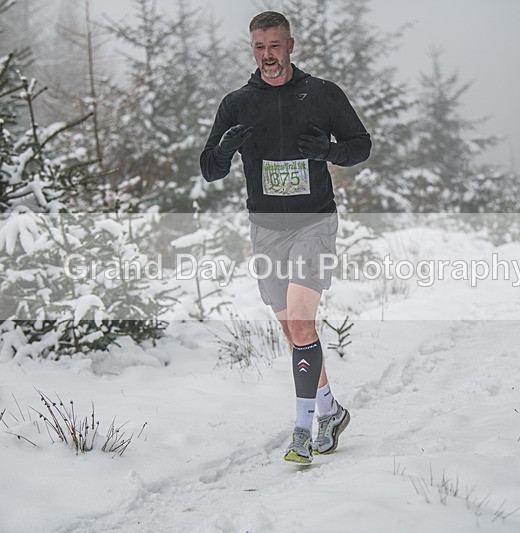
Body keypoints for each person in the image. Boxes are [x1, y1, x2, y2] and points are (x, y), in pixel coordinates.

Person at [200, 11, 371, 464]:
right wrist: (222, 150)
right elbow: (209, 169)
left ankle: (301, 430)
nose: (268, 56)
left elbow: (361, 144)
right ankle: (331, 409)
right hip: (266, 229)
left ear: (290, 45)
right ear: (252, 50)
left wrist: (330, 151)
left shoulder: (322, 94)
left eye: (275, 46)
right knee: (294, 330)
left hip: (314, 221)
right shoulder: (237, 102)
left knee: (299, 321)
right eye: (259, 47)